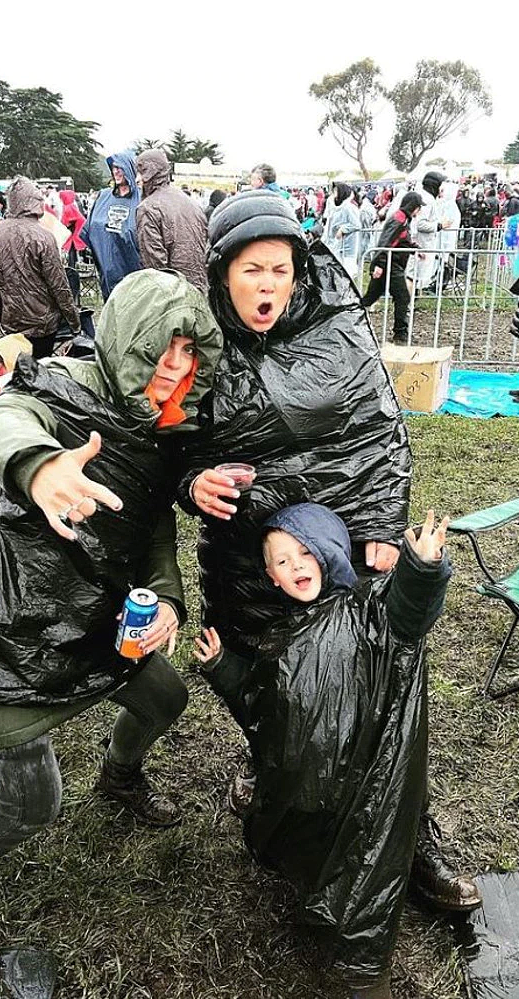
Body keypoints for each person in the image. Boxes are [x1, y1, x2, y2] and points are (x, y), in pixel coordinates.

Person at [177, 189, 479, 918]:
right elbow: (175, 448)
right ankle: (280, 785)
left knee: (383, 684)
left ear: (298, 268)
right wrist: (195, 483)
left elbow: (377, 432)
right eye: (251, 271)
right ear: (222, 273)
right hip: (249, 555)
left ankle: (414, 837)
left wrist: (378, 521)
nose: (267, 286)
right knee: (265, 679)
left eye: (279, 269)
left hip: (335, 544)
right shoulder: (198, 344)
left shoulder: (338, 328)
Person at [0, 268, 222, 970]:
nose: (175, 369)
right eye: (162, 349)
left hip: (92, 616)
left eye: (189, 354)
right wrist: (41, 465)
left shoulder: (160, 429)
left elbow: (150, 532)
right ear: (126, 340)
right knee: (30, 801)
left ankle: (118, 776)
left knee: (165, 697)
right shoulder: (58, 389)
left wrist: (166, 600)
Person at [195, 504, 461, 999]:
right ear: (271, 578)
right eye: (281, 560)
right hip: (307, 801)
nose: (295, 565)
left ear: (329, 553)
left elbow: (408, 613)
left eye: (304, 552)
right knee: (310, 865)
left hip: (367, 795)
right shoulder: (279, 638)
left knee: (361, 901)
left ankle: (364, 979)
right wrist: (222, 668)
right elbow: (259, 709)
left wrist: (421, 570)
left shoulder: (369, 615)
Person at [0, 176, 81, 359]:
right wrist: (75, 322)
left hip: (12, 321)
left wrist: (1, 313)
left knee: (18, 368)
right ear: (36, 202)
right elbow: (59, 285)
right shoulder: (43, 236)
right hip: (42, 322)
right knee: (40, 369)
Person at [136, 149, 208, 293]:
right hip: (199, 289)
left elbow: (155, 267)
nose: (137, 179)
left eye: (141, 171)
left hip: (173, 295)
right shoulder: (192, 203)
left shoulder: (148, 208)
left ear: (151, 173)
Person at [361, 192, 423, 343]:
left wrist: (414, 248)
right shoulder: (399, 219)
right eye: (418, 207)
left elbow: (400, 240)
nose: (419, 211)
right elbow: (386, 242)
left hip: (388, 263)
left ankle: (348, 318)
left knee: (370, 298)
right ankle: (400, 335)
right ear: (413, 207)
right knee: (402, 297)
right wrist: (380, 264)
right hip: (389, 264)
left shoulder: (403, 219)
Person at [84, 150, 143, 300]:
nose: (116, 172)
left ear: (130, 169)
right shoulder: (104, 196)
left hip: (131, 267)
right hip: (107, 265)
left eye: (120, 168)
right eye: (113, 168)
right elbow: (91, 226)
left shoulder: (141, 198)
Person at [406, 171, 446, 290]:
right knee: (413, 275)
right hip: (420, 242)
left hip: (422, 243)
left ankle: (411, 301)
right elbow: (420, 224)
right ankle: (408, 304)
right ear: (434, 186)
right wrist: (439, 225)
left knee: (416, 275)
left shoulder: (427, 198)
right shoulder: (426, 200)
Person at [326, 183, 362, 280]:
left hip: (346, 248)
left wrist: (343, 229)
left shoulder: (349, 207)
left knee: (347, 274)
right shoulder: (337, 207)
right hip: (337, 245)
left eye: (336, 191)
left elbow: (356, 224)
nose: (334, 194)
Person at [58, 189, 86, 300]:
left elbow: (69, 222)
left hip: (73, 238)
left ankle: (73, 285)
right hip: (74, 237)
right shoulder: (71, 206)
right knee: (71, 261)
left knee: (71, 263)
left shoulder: (69, 208)